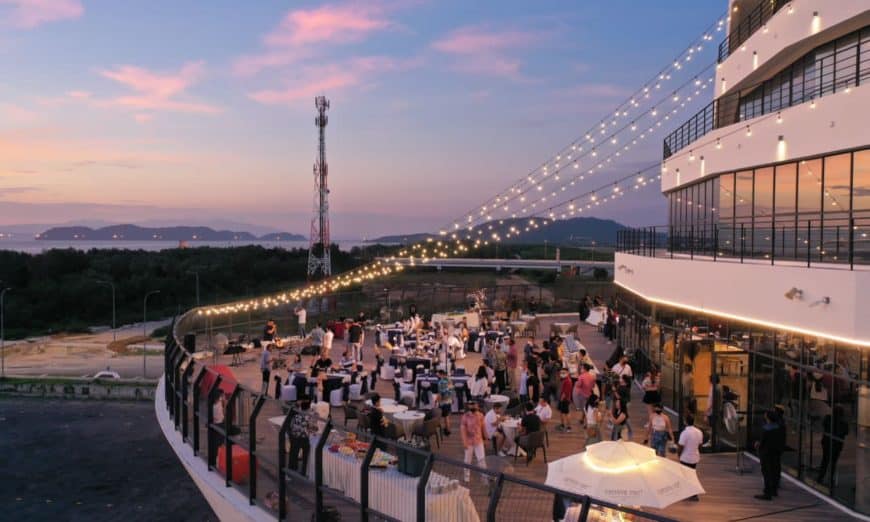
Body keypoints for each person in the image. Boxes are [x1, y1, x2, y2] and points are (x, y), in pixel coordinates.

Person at [755, 409, 785, 500]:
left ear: (767, 417)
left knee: (767, 472)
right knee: (775, 471)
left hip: (766, 454)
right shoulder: (780, 427)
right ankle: (774, 490)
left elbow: (762, 442)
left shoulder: (766, 429)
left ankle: (767, 493)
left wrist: (758, 445)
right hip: (776, 452)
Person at [818, 405, 849, 485]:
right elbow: (846, 432)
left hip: (827, 443)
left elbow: (824, 425)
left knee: (825, 460)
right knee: (833, 462)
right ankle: (830, 479)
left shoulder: (828, 418)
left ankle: (821, 477)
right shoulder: (843, 423)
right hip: (836, 445)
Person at [288, 400, 319, 476]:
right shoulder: (309, 416)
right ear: (308, 407)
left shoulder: (296, 413)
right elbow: (313, 428)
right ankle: (304, 471)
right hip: (304, 438)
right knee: (306, 456)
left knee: (293, 454)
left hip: (294, 436)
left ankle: (291, 469)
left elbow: (291, 425)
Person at [677, 414, 703, 501]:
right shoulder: (699, 432)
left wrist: (679, 455)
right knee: (692, 474)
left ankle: (689, 493)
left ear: (685, 422)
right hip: (695, 457)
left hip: (685, 457)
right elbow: (700, 445)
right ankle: (693, 493)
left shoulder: (685, 433)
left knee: (685, 476)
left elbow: (680, 446)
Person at [460, 401, 487, 482]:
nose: (473, 406)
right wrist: (464, 442)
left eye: (474, 405)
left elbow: (483, 427)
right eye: (471, 405)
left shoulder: (481, 415)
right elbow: (463, 430)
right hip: (469, 442)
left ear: (477, 406)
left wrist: (485, 438)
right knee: (467, 460)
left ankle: (484, 476)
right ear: (468, 406)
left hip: (479, 440)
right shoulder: (465, 416)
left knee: (481, 459)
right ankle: (466, 477)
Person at [436, 370, 454, 436]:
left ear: (441, 374)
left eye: (438, 375)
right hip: (449, 400)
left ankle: (446, 430)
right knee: (447, 416)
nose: (437, 376)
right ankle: (447, 429)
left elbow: (440, 393)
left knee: (440, 415)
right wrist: (452, 398)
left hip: (443, 401)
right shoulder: (449, 380)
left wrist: (437, 400)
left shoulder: (441, 382)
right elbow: (452, 390)